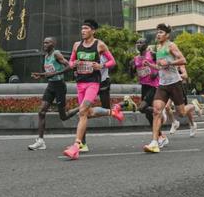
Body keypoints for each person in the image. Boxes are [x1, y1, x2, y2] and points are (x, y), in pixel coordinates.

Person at [62, 20, 124, 160]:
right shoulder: (76, 45)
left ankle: (76, 146)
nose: (83, 31)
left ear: (93, 31)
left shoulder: (99, 45)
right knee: (86, 113)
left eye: (86, 28)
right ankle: (112, 111)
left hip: (93, 83)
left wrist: (101, 66)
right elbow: (70, 62)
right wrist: (74, 64)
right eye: (82, 28)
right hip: (80, 84)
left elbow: (112, 61)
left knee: (82, 111)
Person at [143, 23, 199, 153]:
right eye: (157, 32)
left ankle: (193, 106)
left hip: (175, 84)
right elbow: (159, 67)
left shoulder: (171, 46)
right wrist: (150, 65)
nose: (158, 34)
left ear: (167, 35)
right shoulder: (158, 47)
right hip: (163, 85)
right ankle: (154, 142)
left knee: (181, 112)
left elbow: (183, 60)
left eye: (161, 32)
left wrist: (169, 62)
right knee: (156, 111)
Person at [28, 37, 79, 151]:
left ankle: (81, 108)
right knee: (41, 111)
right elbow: (50, 73)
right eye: (44, 42)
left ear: (53, 44)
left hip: (60, 86)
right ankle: (40, 141)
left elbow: (69, 66)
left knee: (63, 116)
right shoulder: (46, 56)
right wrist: (41, 75)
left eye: (47, 42)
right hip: (51, 86)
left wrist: (55, 73)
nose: (45, 44)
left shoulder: (56, 54)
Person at [132, 38, 168, 148]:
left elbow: (163, 64)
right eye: (137, 42)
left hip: (154, 86)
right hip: (144, 86)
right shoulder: (136, 58)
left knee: (142, 107)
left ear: (146, 44)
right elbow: (133, 74)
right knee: (148, 114)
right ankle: (161, 136)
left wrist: (156, 73)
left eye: (141, 42)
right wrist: (132, 68)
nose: (138, 44)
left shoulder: (152, 54)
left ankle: (160, 113)